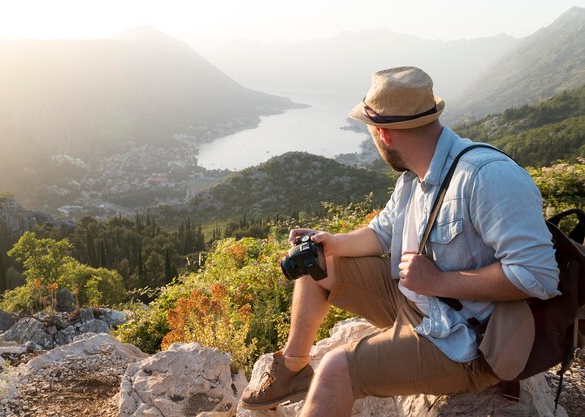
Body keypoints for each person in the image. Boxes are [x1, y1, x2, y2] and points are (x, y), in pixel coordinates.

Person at [238, 66, 561, 417]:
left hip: (465, 340)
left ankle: (323, 373)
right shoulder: (415, 174)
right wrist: (330, 242)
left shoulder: (486, 177)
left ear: (383, 134)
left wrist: (439, 281)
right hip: (417, 304)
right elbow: (383, 232)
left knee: (335, 369)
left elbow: (538, 275)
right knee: (314, 262)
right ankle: (293, 369)